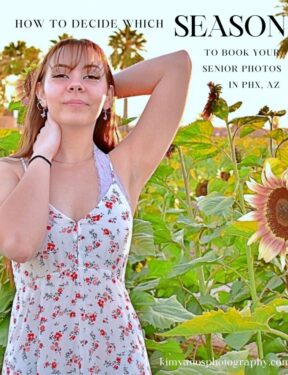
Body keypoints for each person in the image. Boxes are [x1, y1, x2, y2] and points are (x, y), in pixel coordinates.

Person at [0, 38, 191, 374]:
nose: (76, 82)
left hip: (119, 359)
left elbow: (177, 66)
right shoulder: (12, 171)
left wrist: (102, 86)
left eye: (90, 76)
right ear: (40, 94)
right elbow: (18, 244)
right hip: (37, 361)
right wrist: (43, 153)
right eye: (60, 75)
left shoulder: (124, 168)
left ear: (109, 97)